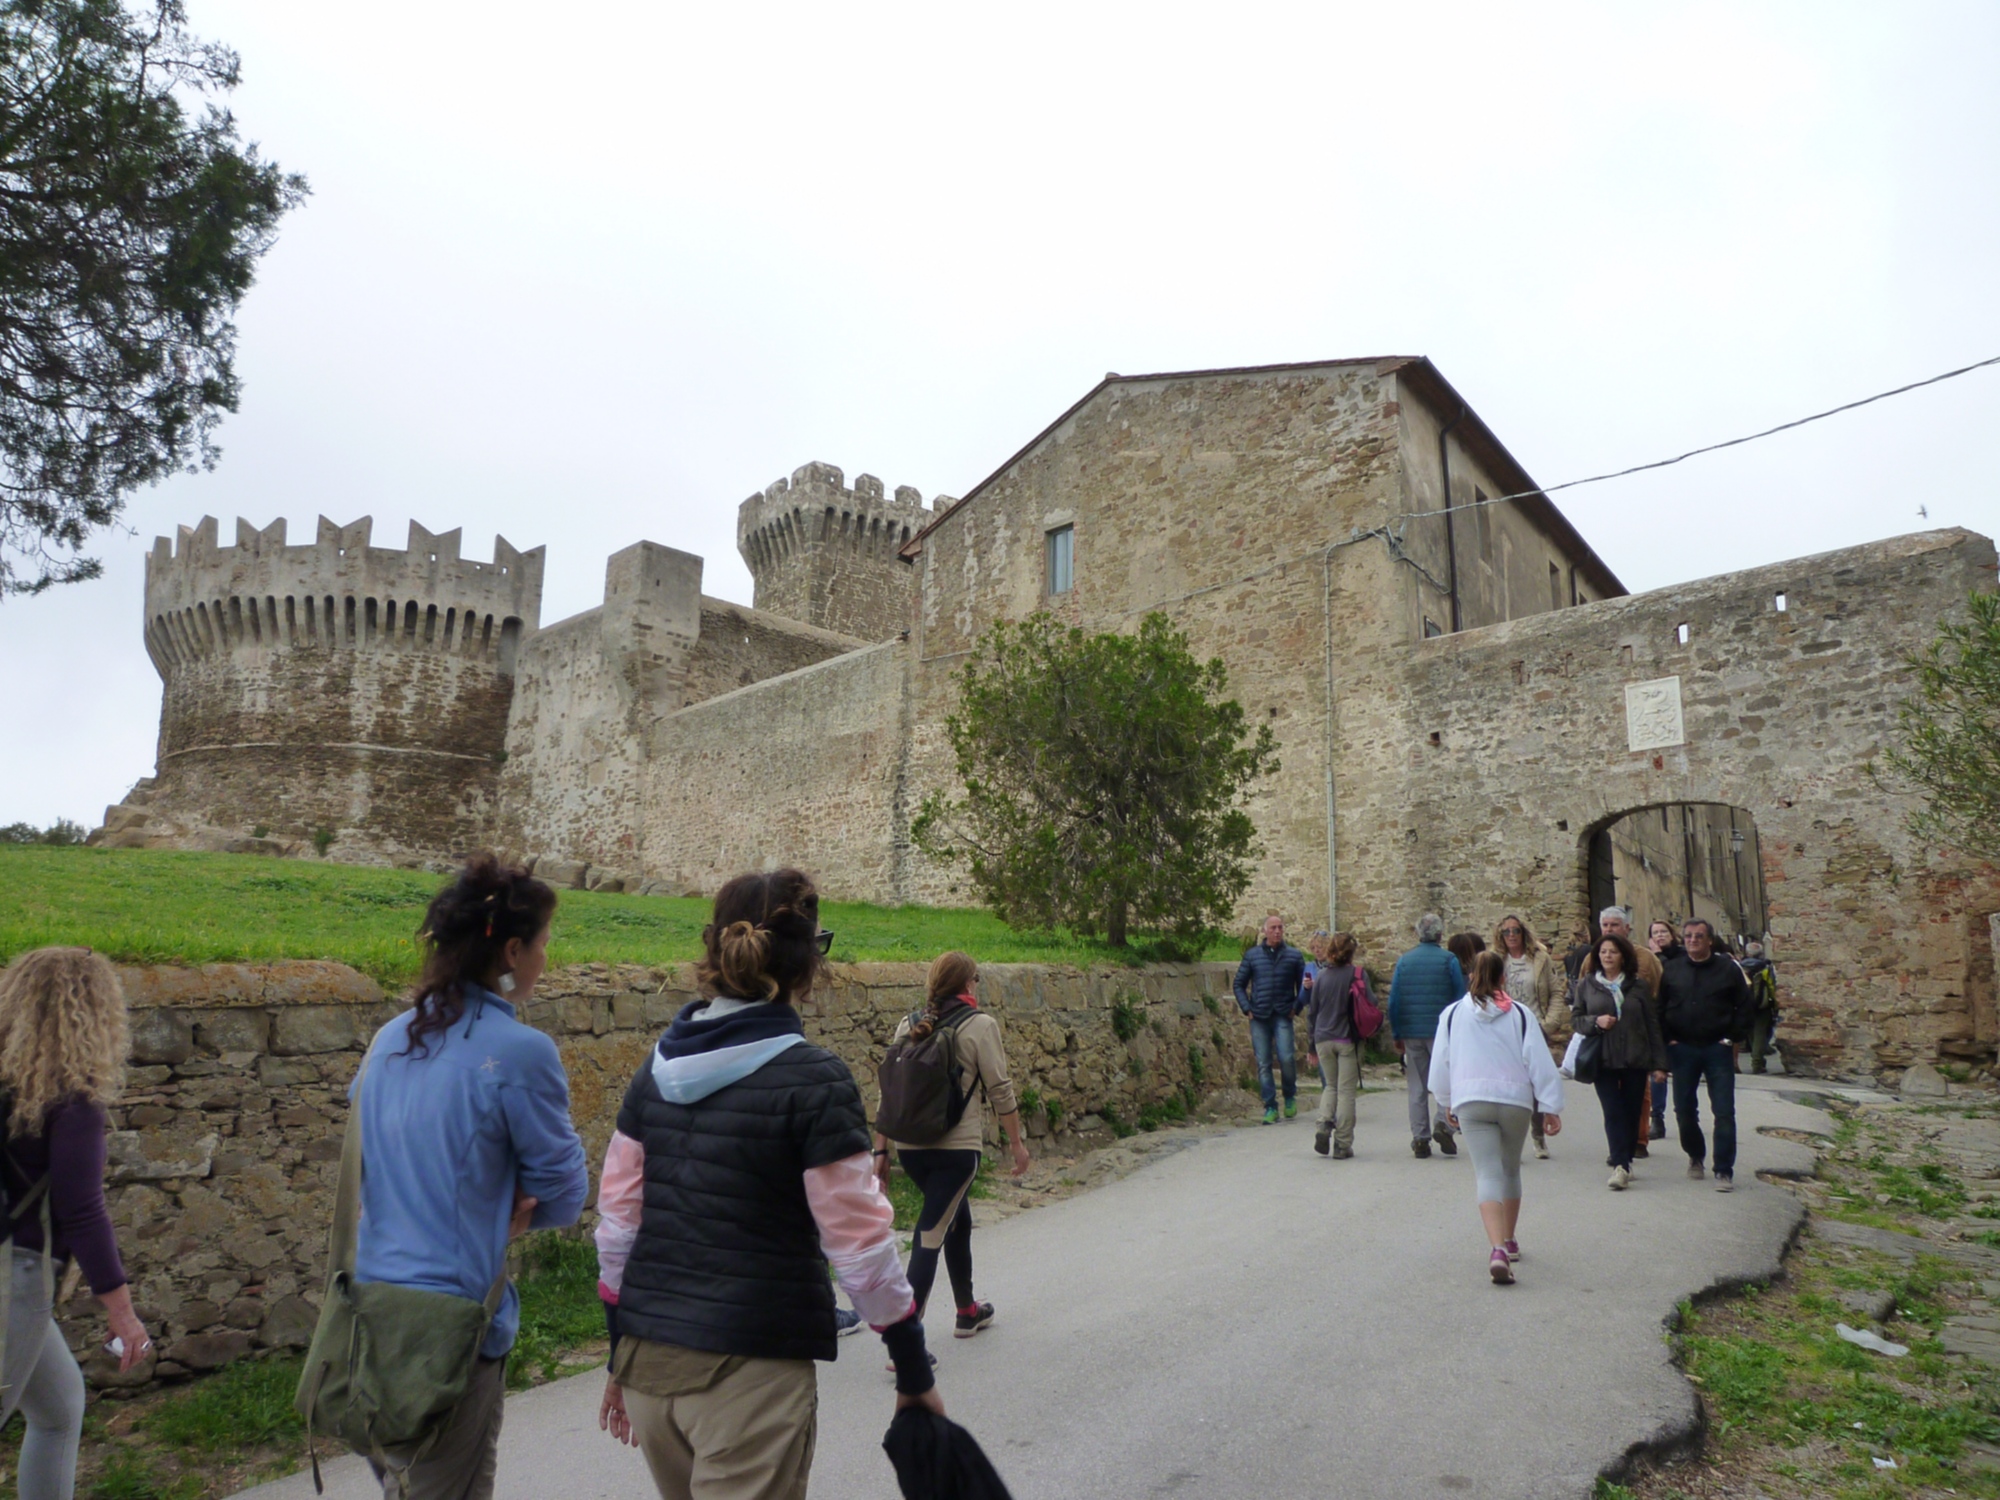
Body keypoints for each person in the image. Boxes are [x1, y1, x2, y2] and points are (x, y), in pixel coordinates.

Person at [594, 869, 943, 1499]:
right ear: (807, 962)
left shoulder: (653, 1071)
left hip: (651, 1366)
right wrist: (913, 1371)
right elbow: (859, 1249)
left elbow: (618, 1226)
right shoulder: (815, 1080)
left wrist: (622, 1353)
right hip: (750, 1375)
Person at [352, 857, 589, 1500]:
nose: (546, 958)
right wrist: (516, 1213)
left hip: (367, 1312)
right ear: (512, 949)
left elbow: (375, 1158)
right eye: (543, 943)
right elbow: (566, 1194)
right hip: (453, 1322)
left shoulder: (388, 1039)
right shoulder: (517, 1049)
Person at [0, 948, 152, 1500]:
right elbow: (81, 1209)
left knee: (59, 1406)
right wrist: (124, 1314)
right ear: (96, 1014)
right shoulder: (73, 1103)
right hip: (13, 1281)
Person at [873, 952, 1032, 1339]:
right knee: (930, 1233)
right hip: (957, 1154)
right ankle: (905, 1341)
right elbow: (1000, 1089)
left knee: (956, 1221)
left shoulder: (908, 1024)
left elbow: (889, 1092)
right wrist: (1017, 1143)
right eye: (975, 978)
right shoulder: (981, 1025)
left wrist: (881, 1150)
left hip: (911, 1150)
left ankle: (967, 1311)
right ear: (968, 985)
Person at [1427, 952, 1564, 1284]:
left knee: (1486, 1173)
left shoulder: (1452, 1015)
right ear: (1504, 978)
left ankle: (1497, 1248)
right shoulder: (1519, 1014)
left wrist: (1446, 1100)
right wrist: (1550, 1104)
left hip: (1471, 1098)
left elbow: (1441, 1061)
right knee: (1510, 1168)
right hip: (1514, 1099)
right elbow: (1537, 1059)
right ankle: (1510, 1238)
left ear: (1471, 976)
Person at [1658, 918, 1756, 1192]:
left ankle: (1723, 1169)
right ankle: (1695, 1154)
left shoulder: (1727, 969)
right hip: (1683, 1049)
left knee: (1724, 1111)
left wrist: (1732, 1037)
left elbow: (1745, 1006)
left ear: (1709, 940)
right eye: (1688, 936)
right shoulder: (1673, 969)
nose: (1692, 940)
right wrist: (1669, 1040)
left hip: (1717, 1048)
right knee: (1684, 1110)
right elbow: (1661, 1007)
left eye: (1698, 936)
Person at [1570, 934, 1668, 1191]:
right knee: (1612, 1111)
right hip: (1603, 1058)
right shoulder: (1588, 985)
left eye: (1613, 952)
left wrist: (1660, 1064)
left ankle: (1624, 1159)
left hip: (1635, 1057)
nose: (1608, 956)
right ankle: (1621, 1166)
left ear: (1623, 956)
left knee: (1631, 1112)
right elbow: (1576, 1019)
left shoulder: (1637, 985)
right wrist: (1596, 1022)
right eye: (1603, 952)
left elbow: (1652, 1025)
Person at [1386, 914, 1467, 1159]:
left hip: (1412, 1031)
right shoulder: (1449, 960)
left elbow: (1394, 1000)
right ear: (1440, 935)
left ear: (1418, 933)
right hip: (1441, 1032)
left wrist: (1397, 1032)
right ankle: (1444, 1122)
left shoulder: (1404, 961)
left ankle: (1420, 1137)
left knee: (1417, 1086)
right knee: (1445, 1081)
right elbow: (1460, 998)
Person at [1492, 915, 1563, 1160]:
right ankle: (1508, 1140)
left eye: (1515, 931)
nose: (1511, 936)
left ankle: (1538, 1135)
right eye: (1506, 932)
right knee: (1506, 1085)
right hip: (1504, 1028)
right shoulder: (1496, 961)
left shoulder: (1540, 959)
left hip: (1535, 1026)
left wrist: (1549, 1023)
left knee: (1535, 1084)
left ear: (1524, 933)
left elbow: (1556, 992)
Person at [1304, 933, 1373, 1160]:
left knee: (1330, 1087)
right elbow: (1371, 1003)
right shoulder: (1357, 974)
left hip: (1323, 1038)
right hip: (1347, 1039)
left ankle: (1324, 1123)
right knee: (1346, 1092)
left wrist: (1311, 1045)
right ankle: (1342, 1144)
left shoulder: (1322, 976)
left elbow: (1312, 1012)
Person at [1234, 915, 1307, 1125]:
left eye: (1280, 927)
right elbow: (1239, 983)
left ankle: (1290, 1095)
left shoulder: (1294, 956)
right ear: (1264, 931)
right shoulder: (1252, 956)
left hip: (1284, 1012)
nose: (1277, 931)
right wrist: (1246, 1008)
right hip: (1259, 1014)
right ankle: (1270, 1106)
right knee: (1263, 1062)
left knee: (1286, 1057)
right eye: (1273, 928)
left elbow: (1304, 985)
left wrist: (1296, 1007)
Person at [1742, 942, 1780, 1074]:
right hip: (1762, 1004)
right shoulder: (1765, 967)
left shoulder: (1740, 966)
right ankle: (1757, 1062)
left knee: (1751, 1033)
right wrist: (1774, 1002)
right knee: (1760, 1033)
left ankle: (1758, 1059)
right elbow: (1771, 985)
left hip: (1744, 1004)